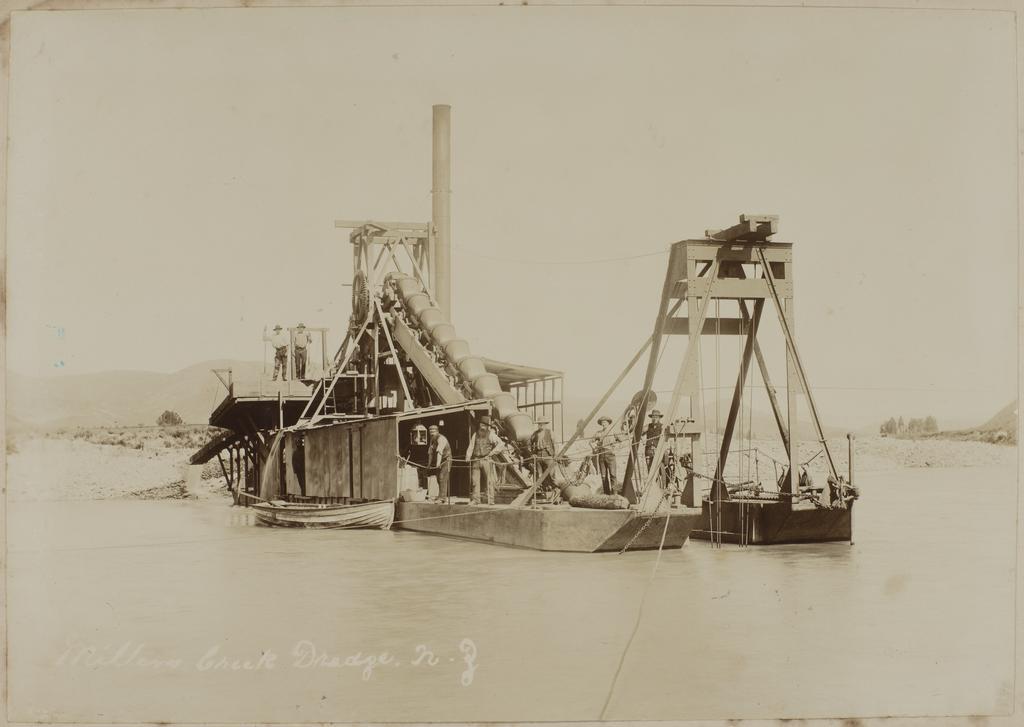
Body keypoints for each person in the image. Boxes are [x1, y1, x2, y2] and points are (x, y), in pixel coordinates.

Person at [464, 416, 505, 505]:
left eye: (484, 425)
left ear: (487, 426)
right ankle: (476, 500)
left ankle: (491, 500)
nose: (482, 426)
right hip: (475, 460)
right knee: (475, 481)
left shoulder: (491, 435)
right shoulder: (475, 434)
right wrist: (468, 456)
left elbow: (501, 444)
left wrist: (492, 453)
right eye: (481, 424)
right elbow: (471, 446)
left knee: (490, 481)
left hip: (486, 460)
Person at [592, 416, 622, 495]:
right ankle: (606, 494)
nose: (603, 424)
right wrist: (595, 448)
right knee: (603, 476)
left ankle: (615, 494)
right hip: (601, 456)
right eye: (602, 423)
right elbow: (590, 441)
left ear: (608, 423)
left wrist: (615, 448)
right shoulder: (599, 433)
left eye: (605, 422)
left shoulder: (613, 432)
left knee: (613, 475)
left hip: (610, 455)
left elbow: (621, 440)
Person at [425, 424, 452, 503]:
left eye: (433, 432)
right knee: (438, 478)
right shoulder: (432, 440)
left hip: (446, 460)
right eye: (430, 432)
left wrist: (437, 465)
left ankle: (442, 498)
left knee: (442, 477)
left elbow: (439, 453)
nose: (432, 434)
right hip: (440, 461)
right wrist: (429, 465)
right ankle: (440, 496)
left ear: (437, 432)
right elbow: (430, 453)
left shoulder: (441, 439)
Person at [529, 415, 557, 488]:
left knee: (551, 473)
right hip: (538, 456)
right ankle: (540, 488)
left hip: (548, 455)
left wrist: (555, 455)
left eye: (542, 424)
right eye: (539, 424)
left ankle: (554, 486)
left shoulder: (550, 432)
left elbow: (555, 444)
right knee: (538, 474)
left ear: (545, 424)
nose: (541, 425)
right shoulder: (535, 434)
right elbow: (530, 445)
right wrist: (532, 454)